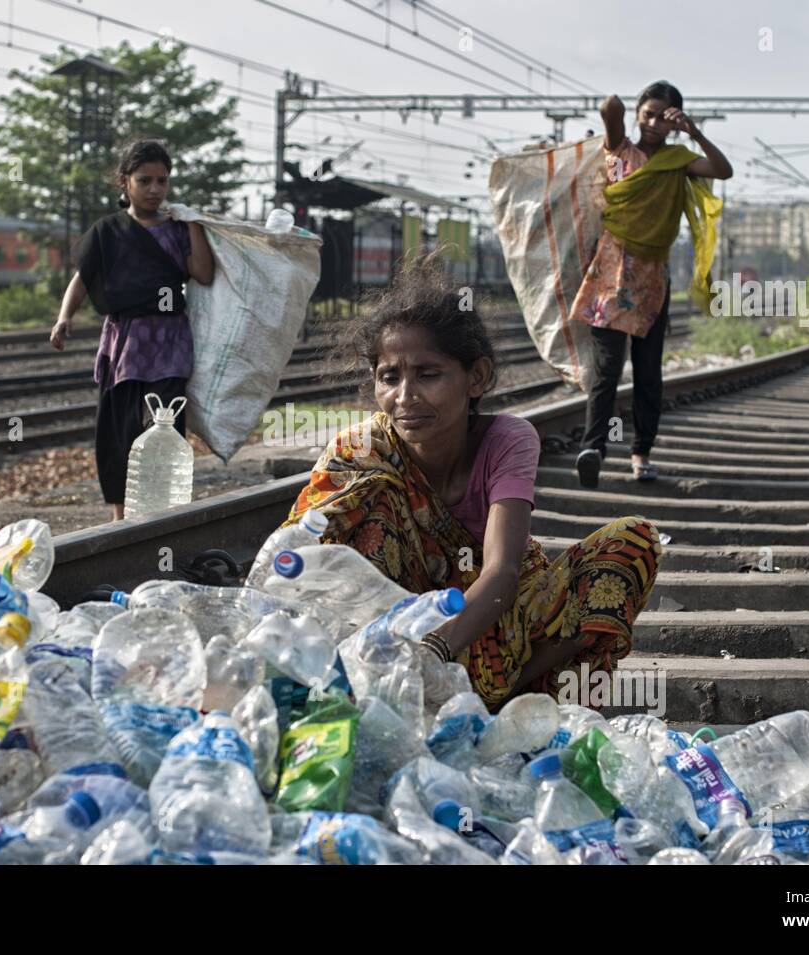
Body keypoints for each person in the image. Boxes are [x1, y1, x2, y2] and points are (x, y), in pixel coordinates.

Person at [275, 251, 663, 711]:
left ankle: (508, 697)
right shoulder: (360, 453)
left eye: (428, 374)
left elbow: (503, 571)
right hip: (399, 639)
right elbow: (294, 559)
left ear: (475, 377)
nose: (404, 396)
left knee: (634, 540)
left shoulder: (507, 439)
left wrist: (436, 649)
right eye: (389, 377)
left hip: (495, 620)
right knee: (366, 502)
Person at [572, 81, 732, 488]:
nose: (655, 122)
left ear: (676, 121)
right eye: (650, 114)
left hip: (651, 282)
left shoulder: (679, 159)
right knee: (606, 373)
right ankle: (593, 449)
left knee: (648, 375)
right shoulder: (619, 150)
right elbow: (609, 106)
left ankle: (641, 454)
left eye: (664, 116)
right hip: (609, 277)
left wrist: (693, 132)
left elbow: (723, 170)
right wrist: (623, 107)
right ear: (639, 115)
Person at [50, 139, 215, 520]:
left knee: (167, 429)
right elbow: (83, 278)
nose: (155, 189)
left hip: (170, 342)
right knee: (118, 431)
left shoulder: (177, 230)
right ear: (125, 182)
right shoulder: (108, 231)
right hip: (124, 344)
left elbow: (203, 273)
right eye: (145, 181)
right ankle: (120, 519)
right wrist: (64, 317)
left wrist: (193, 225)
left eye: (162, 181)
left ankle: (164, 515)